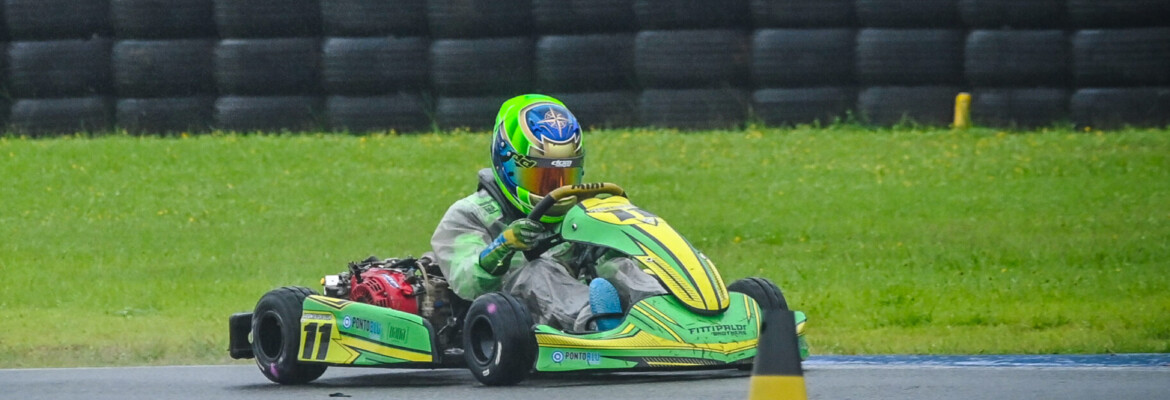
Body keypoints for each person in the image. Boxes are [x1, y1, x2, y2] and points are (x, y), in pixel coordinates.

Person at [430, 94, 666, 332]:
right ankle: (598, 325)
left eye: (565, 177)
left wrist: (611, 241)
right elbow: (467, 282)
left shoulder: (577, 210)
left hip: (577, 290)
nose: (555, 188)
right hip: (507, 316)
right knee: (538, 270)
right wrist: (503, 246)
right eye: (542, 178)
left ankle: (665, 315)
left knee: (616, 265)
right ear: (507, 164)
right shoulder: (469, 215)